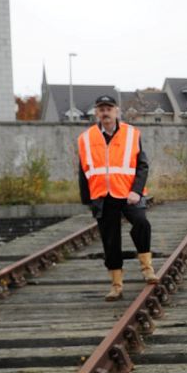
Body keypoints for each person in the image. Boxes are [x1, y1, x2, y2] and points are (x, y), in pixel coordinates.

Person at [77, 94, 157, 300]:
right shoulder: (86, 138)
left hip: (129, 193)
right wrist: (88, 200)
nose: (105, 112)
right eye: (101, 109)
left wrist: (136, 191)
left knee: (142, 224)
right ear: (96, 112)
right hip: (103, 196)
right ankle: (116, 285)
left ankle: (147, 268)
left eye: (109, 108)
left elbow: (142, 165)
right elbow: (83, 170)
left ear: (116, 111)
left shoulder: (132, 134)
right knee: (110, 241)